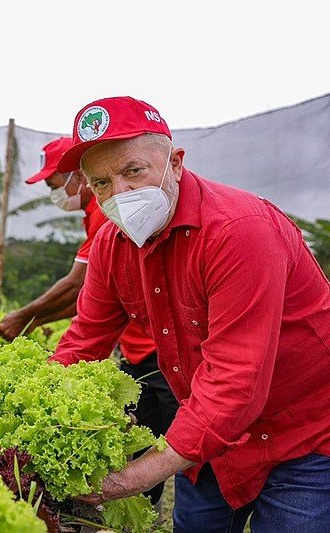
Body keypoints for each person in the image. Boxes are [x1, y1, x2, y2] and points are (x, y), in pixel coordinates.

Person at [50, 96, 330, 531]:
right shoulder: (110, 245)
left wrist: (131, 477)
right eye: (101, 182)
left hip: (304, 435)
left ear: (175, 163)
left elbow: (236, 378)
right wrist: (31, 410)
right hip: (209, 440)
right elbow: (84, 341)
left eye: (134, 171)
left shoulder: (239, 231)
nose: (119, 194)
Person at [0, 137, 178, 508]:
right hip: (138, 348)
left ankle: (149, 500)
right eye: (103, 182)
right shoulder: (99, 215)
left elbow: (77, 284)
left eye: (53, 185)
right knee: (147, 434)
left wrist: (23, 318)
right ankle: (147, 502)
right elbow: (93, 307)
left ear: (74, 178)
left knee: (176, 444)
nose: (54, 194)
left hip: (162, 351)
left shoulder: (109, 211)